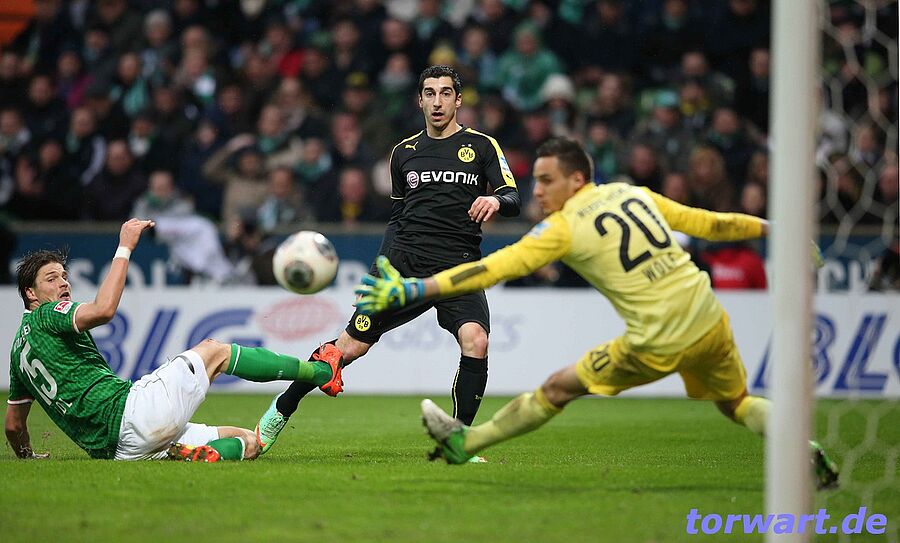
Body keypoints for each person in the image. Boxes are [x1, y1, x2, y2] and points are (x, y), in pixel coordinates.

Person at [355, 137, 839, 489]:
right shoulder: (632, 193)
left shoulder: (563, 228)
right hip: (709, 317)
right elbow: (711, 224)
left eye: (547, 181)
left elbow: (491, 269)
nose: (537, 191)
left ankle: (466, 443)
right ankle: (805, 450)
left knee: (556, 388)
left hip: (659, 337)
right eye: (535, 180)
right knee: (736, 403)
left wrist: (416, 287)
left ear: (577, 179)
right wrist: (777, 228)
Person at [256, 65, 521, 456]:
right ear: (420, 100)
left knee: (476, 340)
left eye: (445, 93)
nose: (437, 102)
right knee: (348, 348)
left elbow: (513, 198)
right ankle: (280, 410)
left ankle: (459, 441)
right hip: (404, 265)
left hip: (459, 266)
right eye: (429, 93)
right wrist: (381, 269)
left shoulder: (482, 146)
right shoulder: (404, 152)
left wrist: (495, 199)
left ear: (458, 100)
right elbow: (398, 218)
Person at [5, 219, 344, 463]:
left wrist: (27, 457)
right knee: (214, 351)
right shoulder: (46, 314)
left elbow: (13, 425)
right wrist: (125, 247)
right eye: (52, 279)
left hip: (120, 451)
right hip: (131, 413)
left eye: (64, 276)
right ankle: (319, 372)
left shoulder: (18, 354)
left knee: (249, 442)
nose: (64, 284)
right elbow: (104, 309)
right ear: (30, 293)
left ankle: (193, 454)